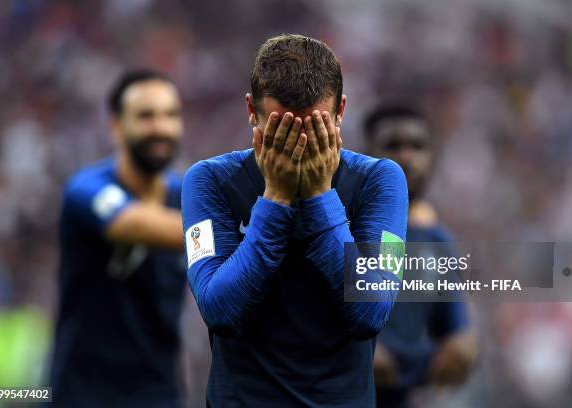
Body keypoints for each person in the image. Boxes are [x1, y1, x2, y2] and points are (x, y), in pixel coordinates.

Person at [181, 34, 408, 407]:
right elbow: (219, 310)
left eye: (314, 130)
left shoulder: (380, 181)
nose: (298, 146)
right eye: (282, 130)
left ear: (341, 112)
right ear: (251, 110)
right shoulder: (209, 181)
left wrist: (319, 196)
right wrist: (276, 198)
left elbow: (371, 310)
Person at [49, 69, 187, 407]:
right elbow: (128, 222)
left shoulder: (188, 196)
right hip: (82, 393)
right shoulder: (86, 188)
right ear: (115, 125)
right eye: (146, 116)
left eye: (170, 115)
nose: (161, 128)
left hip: (160, 392)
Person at [364, 104, 477, 407]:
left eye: (417, 146)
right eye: (392, 146)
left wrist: (462, 347)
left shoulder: (436, 242)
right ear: (365, 154)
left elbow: (458, 344)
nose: (406, 157)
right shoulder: (337, 228)